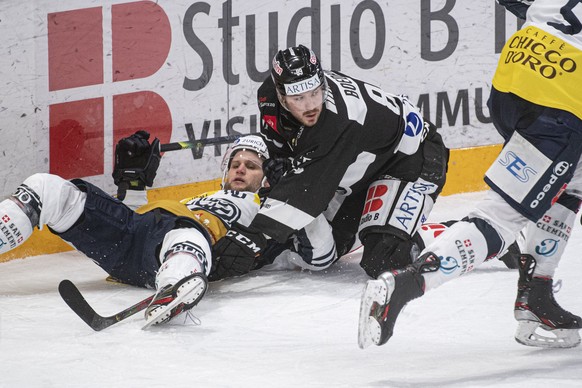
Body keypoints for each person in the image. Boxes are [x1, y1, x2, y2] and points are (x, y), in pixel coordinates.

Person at [358, 0, 582, 349]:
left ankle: (535, 294)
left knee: (572, 177)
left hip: (512, 84)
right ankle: (405, 285)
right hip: (558, 105)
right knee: (503, 218)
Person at [0, 131, 333, 328]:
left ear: (267, 176)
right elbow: (135, 221)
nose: (240, 169)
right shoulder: (201, 197)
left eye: (252, 165)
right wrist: (133, 181)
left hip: (181, 251)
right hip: (135, 241)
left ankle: (173, 290)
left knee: (188, 232)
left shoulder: (273, 214)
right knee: (45, 187)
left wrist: (297, 189)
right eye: (235, 163)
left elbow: (320, 258)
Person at [236, 44, 449, 281]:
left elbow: (301, 197)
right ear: (280, 95)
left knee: (384, 259)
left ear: (322, 82)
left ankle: (466, 235)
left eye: (315, 93)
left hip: (409, 160)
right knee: (331, 245)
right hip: (359, 166)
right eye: (298, 98)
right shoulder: (267, 96)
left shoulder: (337, 122)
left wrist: (244, 243)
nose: (310, 106)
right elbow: (282, 150)